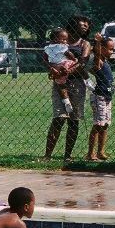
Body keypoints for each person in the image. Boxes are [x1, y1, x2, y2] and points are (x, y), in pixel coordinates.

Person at [42, 28, 83, 165]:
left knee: (73, 120)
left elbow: (82, 61)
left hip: (76, 83)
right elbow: (46, 59)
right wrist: (51, 68)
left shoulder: (84, 43)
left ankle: (67, 155)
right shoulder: (58, 47)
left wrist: (68, 70)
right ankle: (48, 155)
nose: (82, 28)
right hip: (60, 76)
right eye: (78, 25)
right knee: (58, 119)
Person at [86, 35, 115, 161]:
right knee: (98, 125)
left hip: (107, 97)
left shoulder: (106, 61)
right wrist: (97, 42)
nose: (111, 52)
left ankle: (100, 152)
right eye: (109, 49)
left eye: (112, 49)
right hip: (100, 98)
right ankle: (90, 153)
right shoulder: (99, 62)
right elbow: (97, 55)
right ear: (101, 49)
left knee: (105, 125)